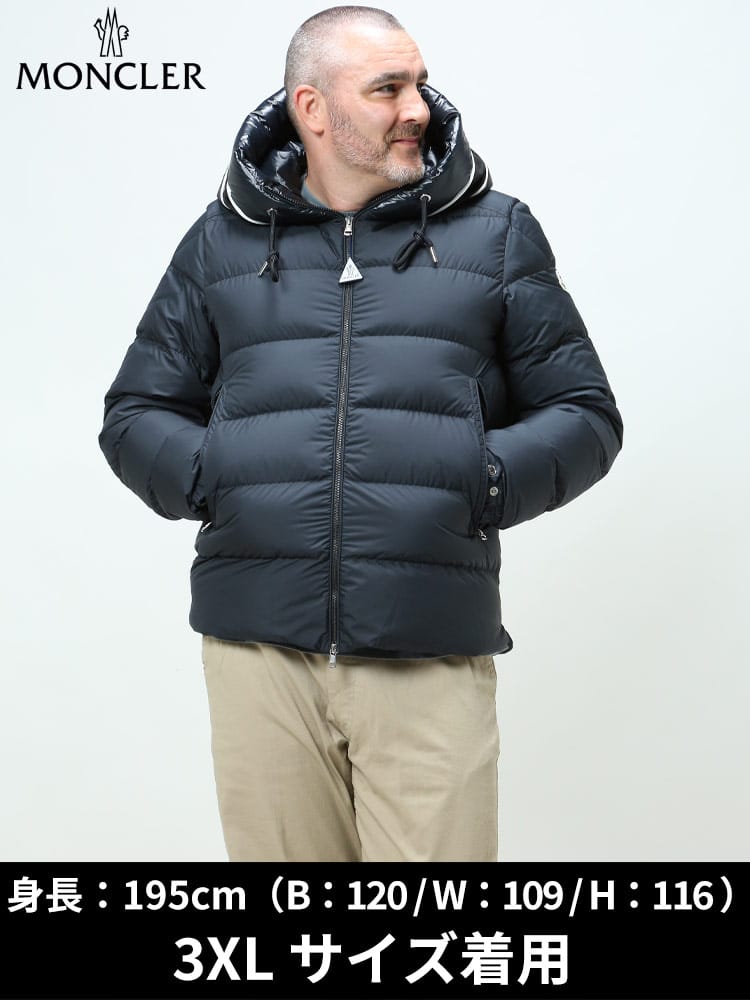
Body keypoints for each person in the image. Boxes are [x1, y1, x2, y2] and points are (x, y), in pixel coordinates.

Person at [98, 5, 623, 862]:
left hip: (428, 647)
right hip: (258, 652)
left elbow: (584, 414)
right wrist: (215, 475)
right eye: (387, 89)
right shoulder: (222, 243)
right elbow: (135, 412)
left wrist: (480, 480)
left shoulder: (496, 236)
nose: (418, 108)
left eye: (418, 84)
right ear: (312, 107)